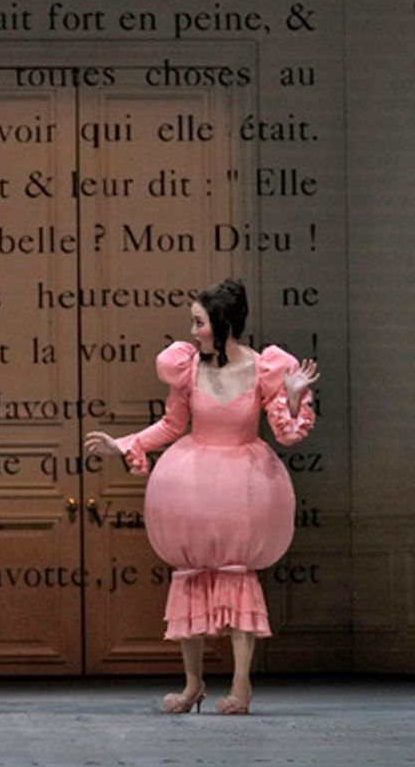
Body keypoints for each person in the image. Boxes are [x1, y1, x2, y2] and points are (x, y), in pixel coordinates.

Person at [85, 279, 317, 715]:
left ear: (222, 324)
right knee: (189, 576)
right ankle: (193, 686)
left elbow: (286, 433)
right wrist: (124, 443)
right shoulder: (187, 368)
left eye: (199, 322)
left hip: (242, 485)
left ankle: (241, 687)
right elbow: (171, 425)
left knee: (237, 577)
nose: (193, 331)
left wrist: (292, 394)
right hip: (192, 484)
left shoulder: (262, 368)